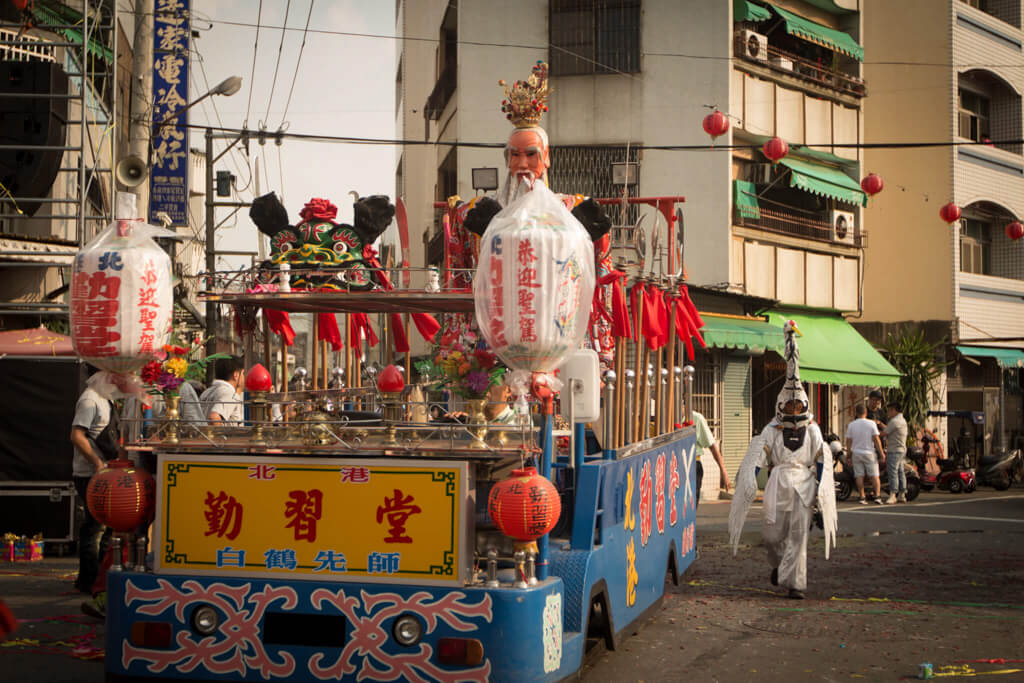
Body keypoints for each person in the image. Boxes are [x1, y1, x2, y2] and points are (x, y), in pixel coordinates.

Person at [729, 320, 837, 599]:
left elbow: (822, 459)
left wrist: (824, 497)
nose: (793, 407)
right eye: (789, 404)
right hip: (777, 486)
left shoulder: (813, 430)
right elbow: (756, 458)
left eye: (797, 404)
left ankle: (795, 585)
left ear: (804, 405)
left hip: (803, 487)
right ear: (781, 405)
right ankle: (779, 566)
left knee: (799, 537)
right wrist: (750, 479)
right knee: (772, 537)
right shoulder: (770, 430)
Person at [68, 369, 113, 594]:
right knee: (94, 528)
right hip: (89, 474)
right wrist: (96, 463)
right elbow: (77, 435)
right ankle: (88, 582)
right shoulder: (90, 399)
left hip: (103, 473)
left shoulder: (105, 399)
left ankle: (99, 580)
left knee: (105, 528)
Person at [689, 406, 731, 503]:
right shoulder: (668, 419)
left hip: (693, 465)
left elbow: (712, 447)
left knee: (691, 506)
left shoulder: (696, 419)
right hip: (674, 468)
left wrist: (723, 472)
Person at [846, 403, 886, 504]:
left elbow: (848, 441)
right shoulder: (871, 424)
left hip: (856, 453)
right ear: (866, 412)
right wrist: (881, 453)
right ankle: (877, 496)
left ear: (856, 413)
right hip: (869, 453)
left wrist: (849, 454)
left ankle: (862, 496)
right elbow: (876, 439)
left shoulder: (851, 425)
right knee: (874, 475)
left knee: (859, 475)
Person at [199, 355, 245, 424]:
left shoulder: (207, 391)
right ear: (236, 375)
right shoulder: (229, 393)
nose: (244, 377)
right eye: (243, 373)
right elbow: (213, 417)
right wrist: (218, 434)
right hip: (227, 435)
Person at [884, 401, 909, 504]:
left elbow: (884, 433)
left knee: (893, 472)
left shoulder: (894, 421)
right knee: (900, 471)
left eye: (889, 410)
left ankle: (893, 494)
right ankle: (902, 494)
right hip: (901, 449)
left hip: (894, 450)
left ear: (894, 410)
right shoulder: (902, 420)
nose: (888, 413)